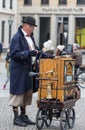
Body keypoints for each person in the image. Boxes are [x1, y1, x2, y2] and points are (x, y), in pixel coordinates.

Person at [9, 16, 39, 127]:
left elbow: (35, 50)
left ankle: (23, 115)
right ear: (25, 25)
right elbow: (14, 54)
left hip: (28, 70)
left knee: (27, 92)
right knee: (18, 93)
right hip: (19, 71)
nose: (33, 29)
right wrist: (29, 53)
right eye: (31, 27)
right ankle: (16, 117)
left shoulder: (31, 37)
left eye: (33, 27)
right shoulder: (17, 37)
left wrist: (47, 55)